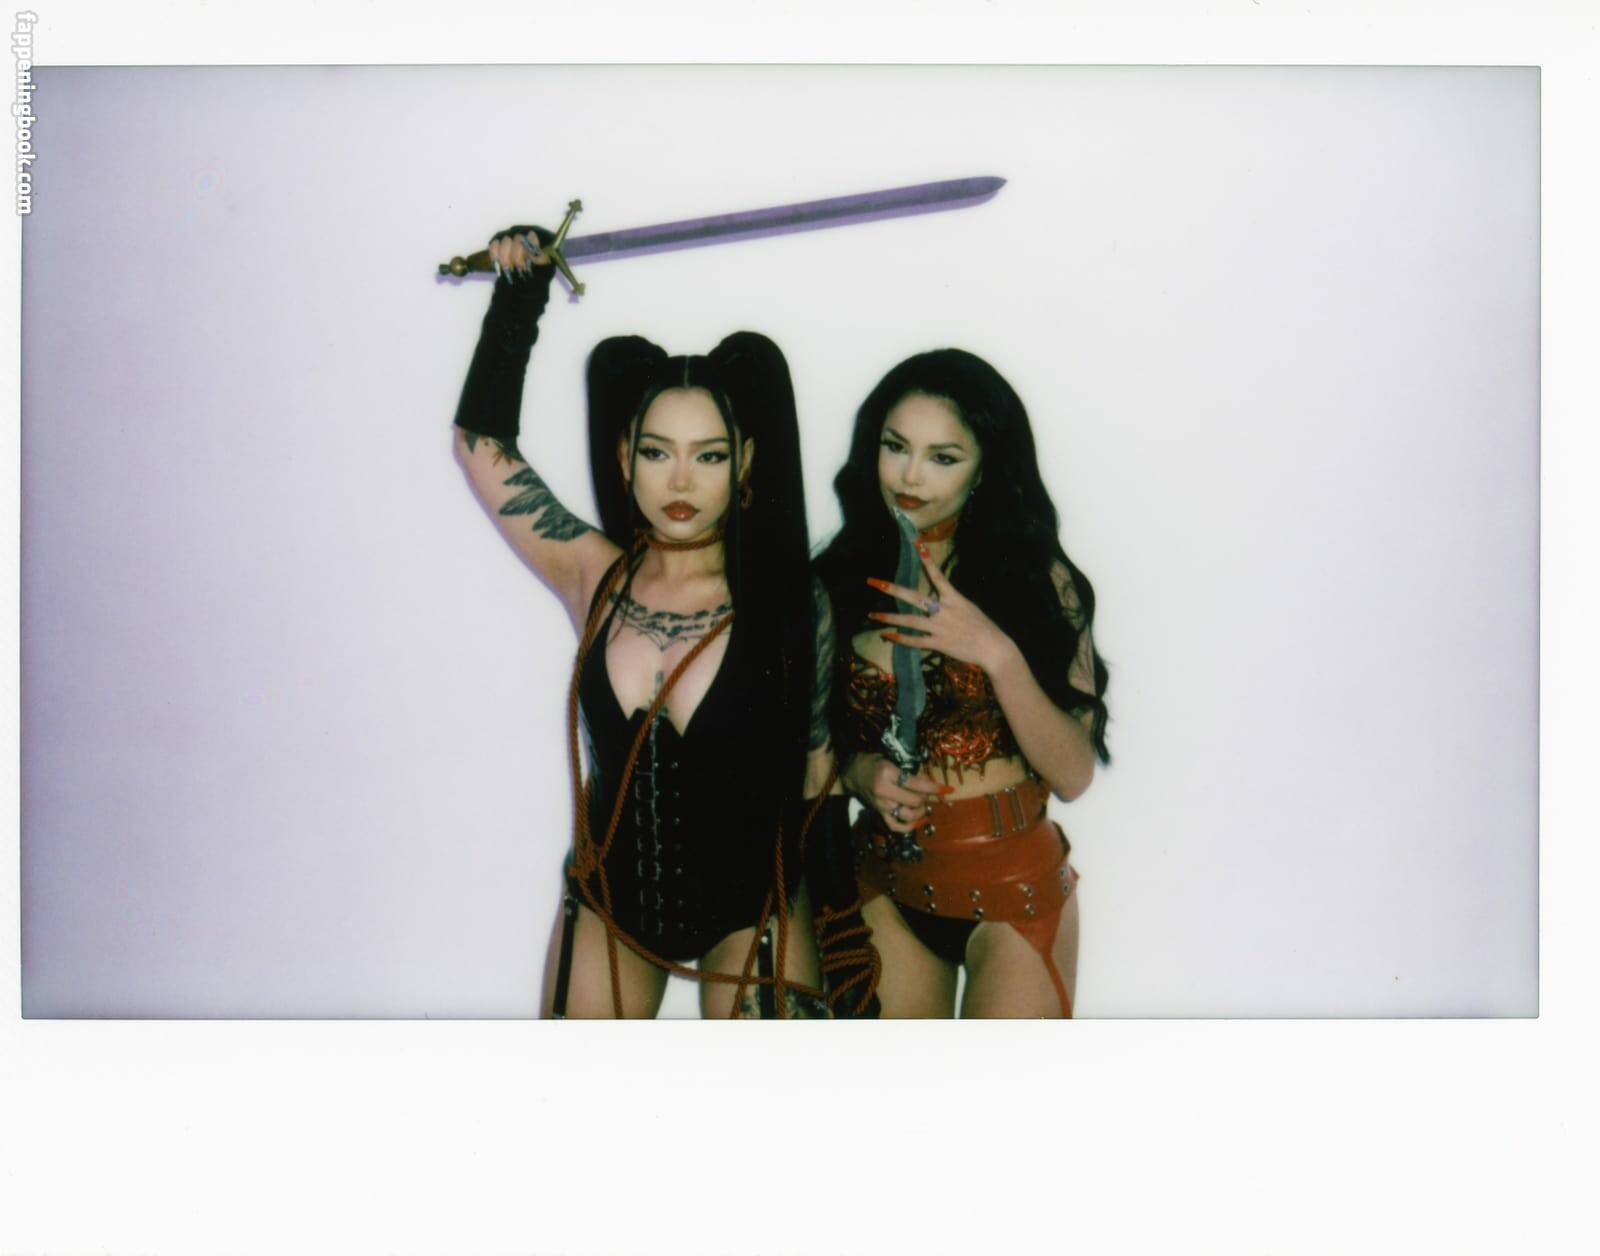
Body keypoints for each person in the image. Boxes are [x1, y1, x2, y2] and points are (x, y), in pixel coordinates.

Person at [452, 227, 833, 1018]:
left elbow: (819, 774)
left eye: (710, 455)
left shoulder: (791, 599)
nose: (681, 480)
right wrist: (519, 296)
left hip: (753, 908)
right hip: (609, 901)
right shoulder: (592, 572)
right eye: (658, 452)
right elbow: (481, 446)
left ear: (746, 462)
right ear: (624, 458)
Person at [814, 348, 1111, 1018]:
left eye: (943, 457)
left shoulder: (1044, 583)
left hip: (1014, 893)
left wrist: (996, 653)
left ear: (986, 469)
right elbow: (802, 753)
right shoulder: (835, 581)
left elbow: (1073, 776)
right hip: (885, 883)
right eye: (895, 446)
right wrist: (859, 774)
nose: (910, 475)